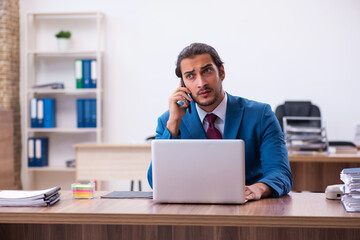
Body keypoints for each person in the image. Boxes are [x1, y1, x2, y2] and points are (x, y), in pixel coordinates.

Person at [147, 43, 292, 201]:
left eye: (207, 71)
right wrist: (173, 124)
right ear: (182, 85)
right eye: (190, 76)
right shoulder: (168, 121)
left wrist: (258, 188)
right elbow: (156, 182)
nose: (201, 83)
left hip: (250, 209)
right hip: (191, 212)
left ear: (221, 72)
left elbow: (280, 173)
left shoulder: (260, 114)